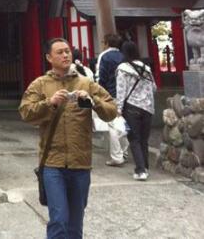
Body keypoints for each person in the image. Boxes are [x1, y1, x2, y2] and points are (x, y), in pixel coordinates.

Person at [20, 38, 117, 239]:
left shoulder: (86, 83)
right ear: (49, 57)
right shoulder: (40, 84)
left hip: (80, 164)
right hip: (52, 164)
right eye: (60, 52)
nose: (65, 55)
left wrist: (94, 101)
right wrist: (50, 103)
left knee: (75, 224)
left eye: (68, 51)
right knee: (59, 219)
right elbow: (26, 112)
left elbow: (111, 111)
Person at [116, 40, 156, 181]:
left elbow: (121, 90)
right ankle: (145, 167)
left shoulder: (122, 68)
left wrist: (119, 108)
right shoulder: (146, 68)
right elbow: (153, 88)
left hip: (131, 107)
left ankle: (140, 170)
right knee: (144, 140)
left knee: (134, 139)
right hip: (147, 108)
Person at [95, 33, 129, 166]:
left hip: (110, 93)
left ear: (106, 43)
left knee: (113, 125)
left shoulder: (104, 56)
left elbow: (101, 76)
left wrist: (99, 94)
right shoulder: (123, 56)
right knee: (123, 124)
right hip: (125, 94)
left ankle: (116, 156)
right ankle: (124, 152)